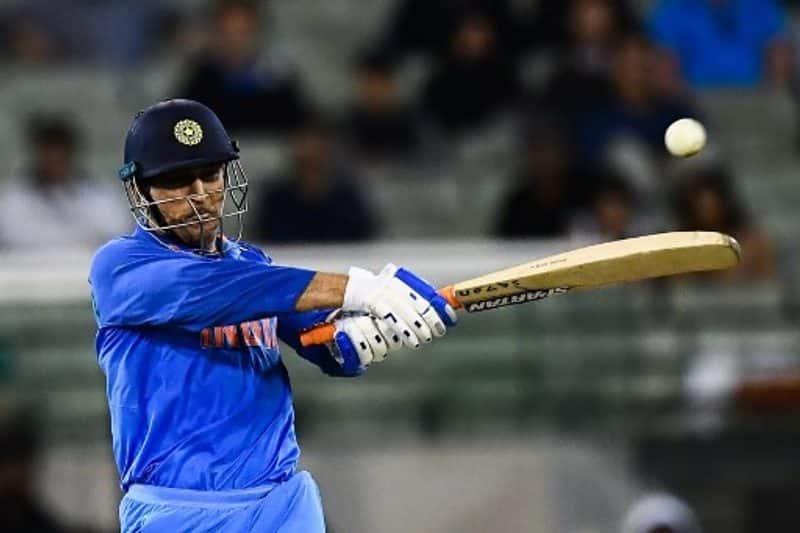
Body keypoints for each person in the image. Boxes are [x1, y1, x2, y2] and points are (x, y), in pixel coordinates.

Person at [89, 99, 457, 532]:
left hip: (281, 505)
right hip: (178, 510)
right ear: (140, 190)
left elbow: (324, 344)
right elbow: (217, 289)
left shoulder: (251, 264)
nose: (200, 194)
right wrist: (361, 288)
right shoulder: (120, 266)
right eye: (176, 180)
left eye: (210, 174)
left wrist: (366, 335)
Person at [176, 0, 310, 134]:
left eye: (242, 32)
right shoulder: (199, 78)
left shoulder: (278, 78)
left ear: (257, 31)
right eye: (227, 32)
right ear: (215, 33)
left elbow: (302, 126)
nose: (235, 40)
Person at [0, 114, 129, 249]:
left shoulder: (99, 197)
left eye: (59, 150)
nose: (54, 157)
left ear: (71, 152)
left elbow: (117, 234)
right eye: (48, 150)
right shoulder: (12, 199)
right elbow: (10, 237)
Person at [253, 119, 377, 243]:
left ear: (327, 153)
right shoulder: (276, 198)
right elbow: (266, 239)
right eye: (304, 149)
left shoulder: (348, 199)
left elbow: (362, 242)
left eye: (316, 152)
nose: (310, 155)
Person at [420, 11, 523, 135]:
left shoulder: (503, 74)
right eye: (466, 29)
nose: (471, 37)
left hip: (490, 137)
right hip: (444, 137)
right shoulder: (440, 69)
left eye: (477, 30)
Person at [649, 0, 790, 88]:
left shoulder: (763, 7)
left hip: (755, 98)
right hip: (695, 102)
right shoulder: (671, 11)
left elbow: (781, 63)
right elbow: (664, 72)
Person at [673, 167, 775, 281]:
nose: (707, 212)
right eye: (702, 207)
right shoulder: (681, 245)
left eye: (711, 206)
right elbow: (682, 284)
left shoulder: (751, 242)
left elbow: (767, 282)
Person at [343, 53, 421, 163]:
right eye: (367, 83)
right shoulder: (351, 121)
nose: (372, 91)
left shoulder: (409, 123)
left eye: (378, 84)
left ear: (390, 87)